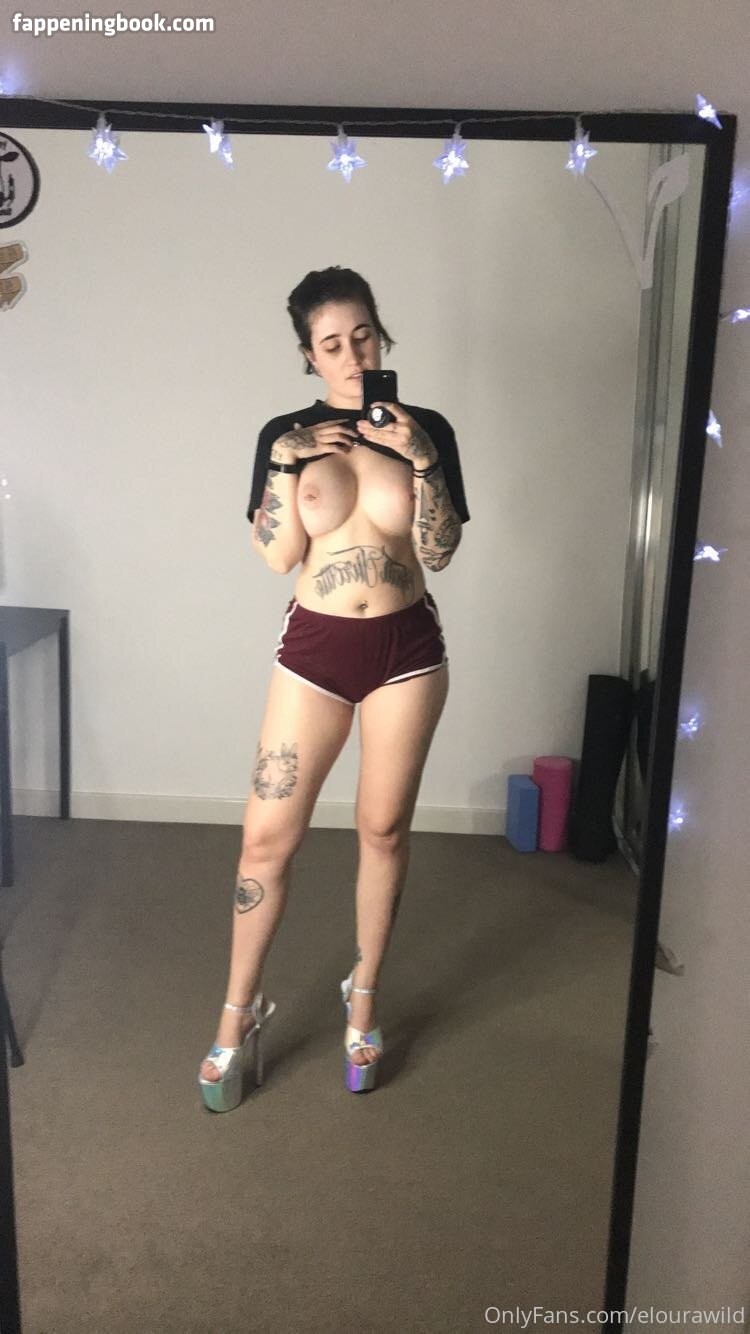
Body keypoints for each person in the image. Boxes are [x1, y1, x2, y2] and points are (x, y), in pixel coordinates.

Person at [198, 266, 470, 1110]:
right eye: (331, 344)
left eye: (363, 336)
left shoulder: (427, 429)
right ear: (308, 355)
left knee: (382, 830)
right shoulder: (285, 435)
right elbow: (277, 555)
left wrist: (422, 460)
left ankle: (364, 998)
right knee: (265, 841)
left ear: (381, 336)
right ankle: (238, 1013)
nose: (353, 355)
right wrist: (285, 465)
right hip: (315, 652)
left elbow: (441, 551)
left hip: (406, 651)